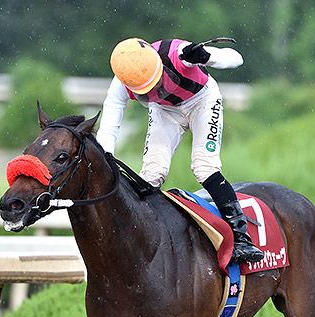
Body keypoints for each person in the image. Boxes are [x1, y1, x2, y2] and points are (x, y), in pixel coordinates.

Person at [96, 37, 264, 264]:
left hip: (202, 101)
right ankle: (138, 239)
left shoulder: (179, 53)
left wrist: (207, 57)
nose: (156, 90)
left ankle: (241, 238)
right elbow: (109, 125)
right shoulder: (122, 82)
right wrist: (105, 155)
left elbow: (236, 59)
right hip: (165, 111)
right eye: (147, 91)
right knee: (151, 175)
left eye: (156, 83)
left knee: (205, 167)